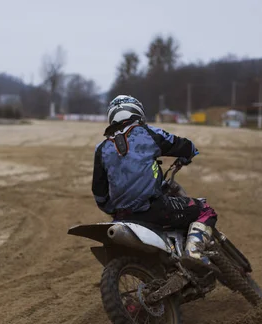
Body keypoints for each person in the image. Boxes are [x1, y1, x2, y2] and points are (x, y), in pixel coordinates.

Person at [91, 94, 218, 265]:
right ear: (137, 112)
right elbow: (183, 145)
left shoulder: (101, 148)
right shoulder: (147, 133)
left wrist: (113, 210)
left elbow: (99, 192)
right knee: (205, 210)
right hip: (153, 209)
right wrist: (188, 153)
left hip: (121, 217)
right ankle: (193, 251)